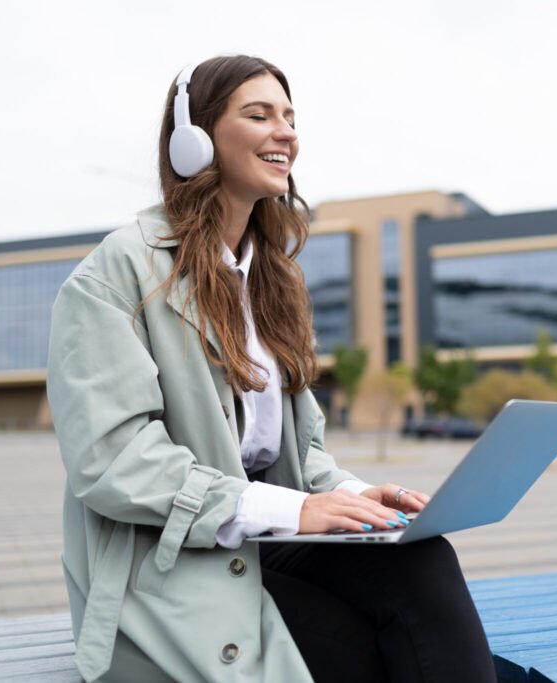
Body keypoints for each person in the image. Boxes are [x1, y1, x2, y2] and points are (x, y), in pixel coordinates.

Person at [47, 54, 497, 683]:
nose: (285, 132)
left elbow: (298, 453)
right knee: (364, 650)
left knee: (421, 562)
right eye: (259, 115)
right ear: (194, 141)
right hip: (168, 558)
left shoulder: (273, 279)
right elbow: (113, 458)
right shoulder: (116, 274)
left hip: (261, 537)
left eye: (290, 117)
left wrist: (348, 495)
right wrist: (292, 510)